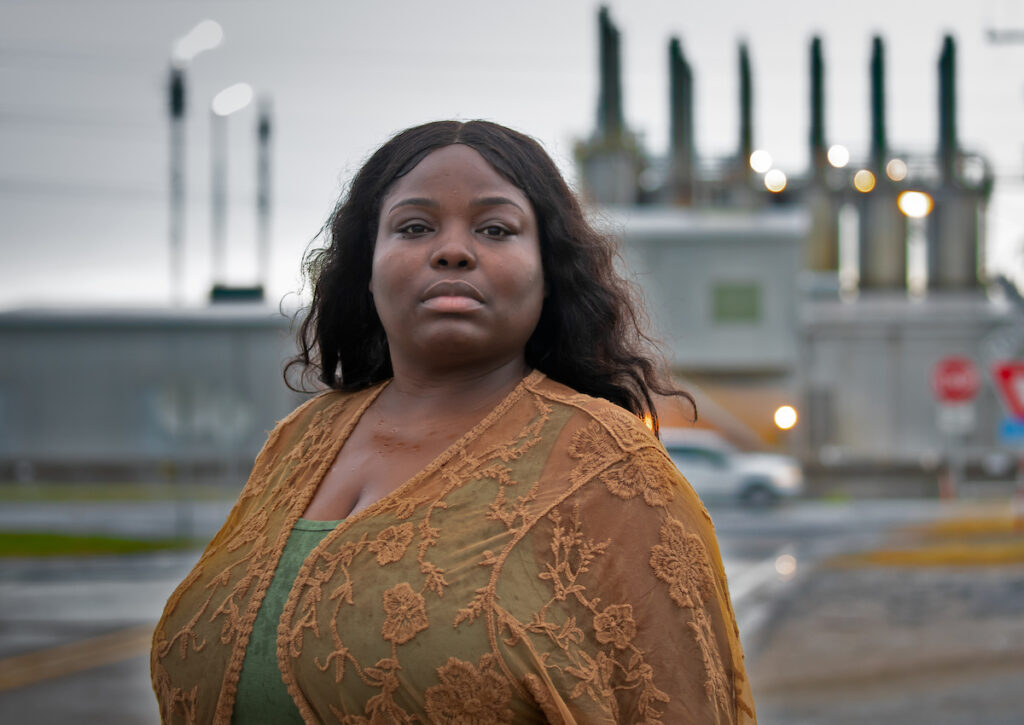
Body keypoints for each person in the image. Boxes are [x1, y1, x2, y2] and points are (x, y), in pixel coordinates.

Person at [151, 120, 756, 724]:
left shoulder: (609, 466)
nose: (452, 250)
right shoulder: (299, 440)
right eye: (414, 227)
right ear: (368, 266)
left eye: (496, 229)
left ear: (549, 272)